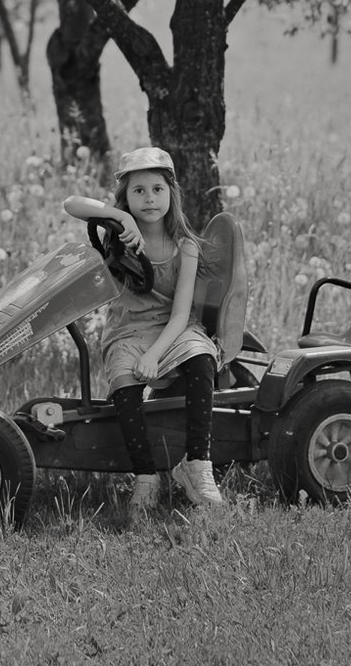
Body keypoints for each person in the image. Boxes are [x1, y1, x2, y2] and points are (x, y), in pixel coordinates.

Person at [62, 146, 227, 512]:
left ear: (172, 193)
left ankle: (197, 464)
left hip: (173, 329)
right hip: (129, 330)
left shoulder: (184, 246)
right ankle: (146, 477)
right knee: (125, 381)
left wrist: (156, 354)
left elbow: (181, 314)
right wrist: (121, 217)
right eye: (138, 191)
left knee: (202, 357)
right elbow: (71, 203)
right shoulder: (119, 235)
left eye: (157, 189)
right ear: (126, 198)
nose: (149, 198)